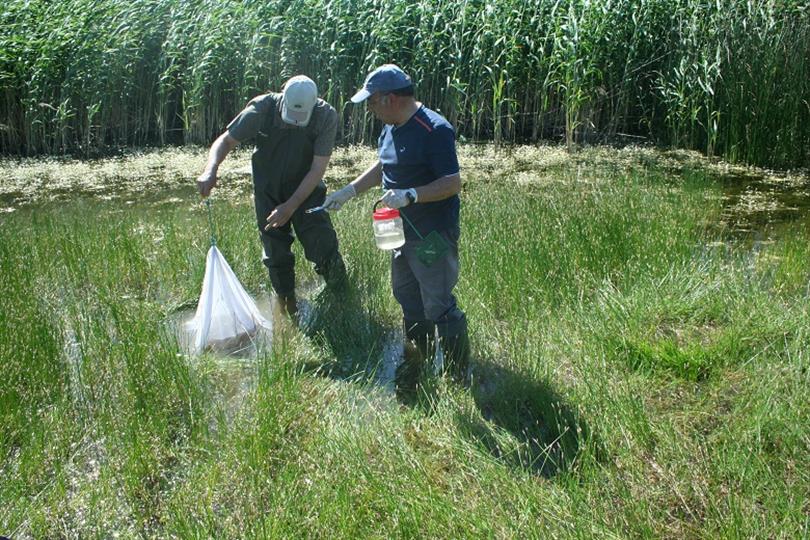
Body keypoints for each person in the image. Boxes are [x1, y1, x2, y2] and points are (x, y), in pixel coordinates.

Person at [323, 64, 470, 394]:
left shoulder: (434, 129)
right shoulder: (389, 128)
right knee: (405, 294)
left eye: (372, 103)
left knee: (438, 302)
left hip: (433, 235)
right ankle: (420, 358)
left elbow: (453, 182)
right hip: (398, 233)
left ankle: (460, 377)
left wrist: (412, 195)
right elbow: (384, 166)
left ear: (389, 99)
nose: (371, 110)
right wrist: (349, 191)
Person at [197, 75, 348, 317]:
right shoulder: (262, 109)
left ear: (314, 103)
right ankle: (287, 306)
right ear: (282, 100)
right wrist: (210, 169)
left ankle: (342, 297)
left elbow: (317, 169)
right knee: (275, 251)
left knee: (321, 242)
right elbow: (225, 141)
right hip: (268, 189)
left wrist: (290, 206)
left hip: (307, 190)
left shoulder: (325, 116)